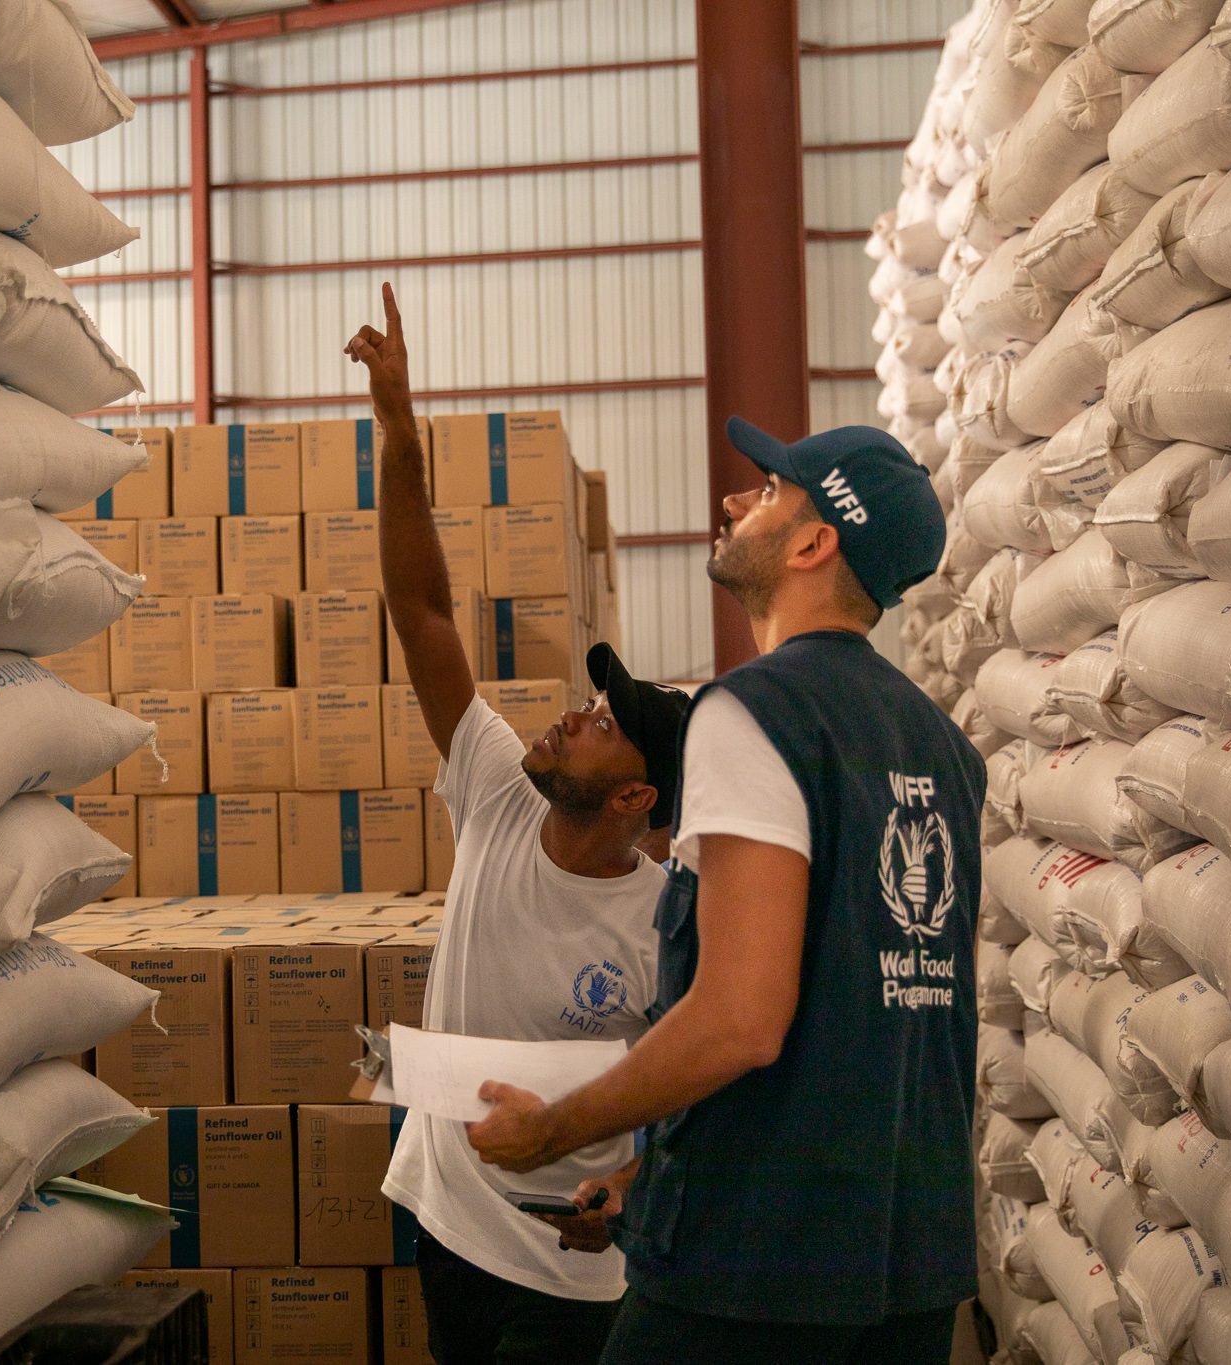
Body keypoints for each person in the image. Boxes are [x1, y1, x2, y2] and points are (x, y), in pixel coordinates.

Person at [465, 417, 986, 1363]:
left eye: (769, 491)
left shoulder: (754, 712)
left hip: (761, 1257)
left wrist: (554, 1129)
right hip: (910, 1255)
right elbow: (870, 1004)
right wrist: (644, 1170)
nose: (736, 501)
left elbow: (744, 1016)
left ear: (813, 540)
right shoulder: (941, 746)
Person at [344, 284, 693, 1364]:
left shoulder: (668, 924)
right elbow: (424, 610)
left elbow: (696, 1108)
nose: (578, 713)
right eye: (594, 701)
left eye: (606, 727)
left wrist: (624, 1190)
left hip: (569, 1261)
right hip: (447, 1215)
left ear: (636, 798)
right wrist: (399, 427)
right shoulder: (498, 789)